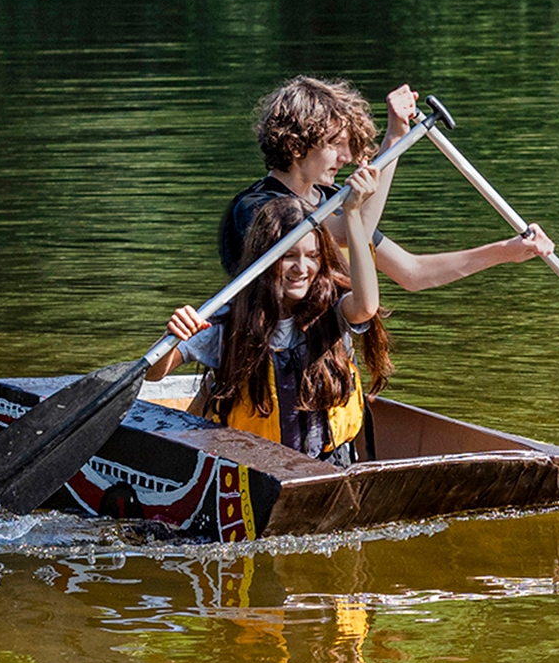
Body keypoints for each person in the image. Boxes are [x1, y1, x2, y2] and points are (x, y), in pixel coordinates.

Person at [149, 165, 387, 467]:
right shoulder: (228, 318)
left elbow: (366, 306)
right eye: (289, 256)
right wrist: (174, 335)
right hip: (251, 473)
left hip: (327, 466)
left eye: (312, 256)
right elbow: (153, 373)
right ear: (264, 259)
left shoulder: (332, 308)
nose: (302, 269)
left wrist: (352, 213)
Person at [219, 76, 556, 289]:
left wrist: (505, 251)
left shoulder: (332, 201)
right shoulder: (257, 208)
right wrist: (394, 140)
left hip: (325, 367)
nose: (346, 157)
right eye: (335, 145)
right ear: (294, 146)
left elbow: (412, 273)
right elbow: (354, 234)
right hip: (266, 365)